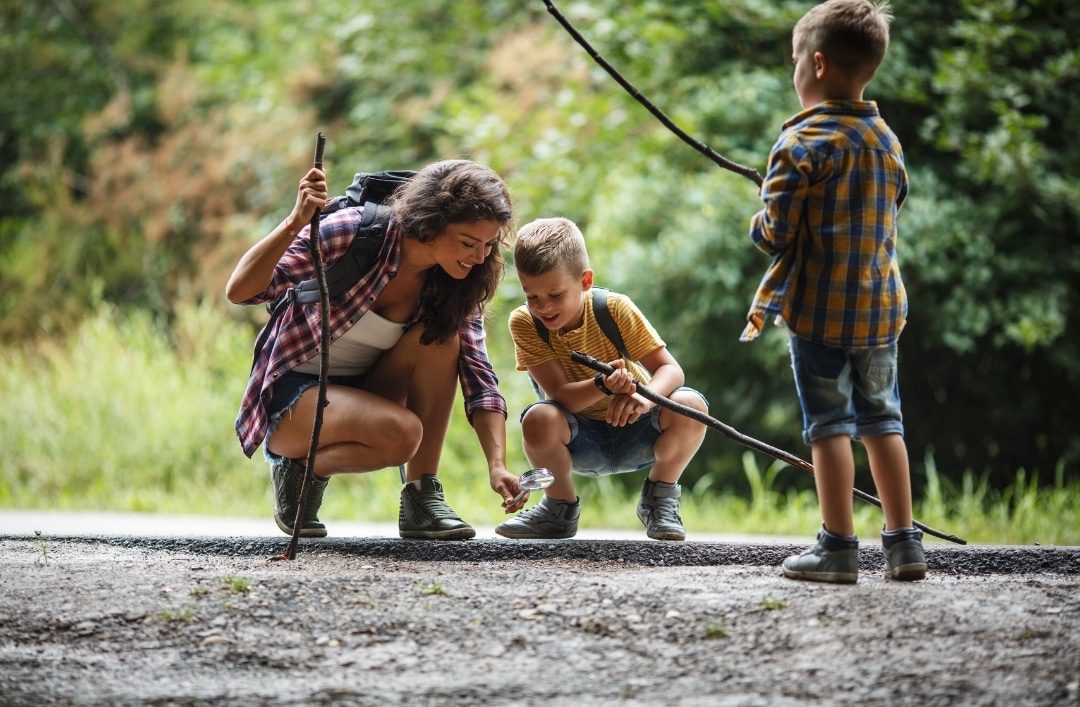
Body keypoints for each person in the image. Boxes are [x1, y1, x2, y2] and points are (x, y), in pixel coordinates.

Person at [226, 159, 528, 540]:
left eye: (488, 244)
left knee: (442, 340)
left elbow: (479, 376)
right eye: (469, 243)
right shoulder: (353, 232)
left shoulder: (457, 280)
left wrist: (497, 465)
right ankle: (298, 470)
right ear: (431, 225)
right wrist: (295, 221)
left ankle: (421, 497)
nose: (480, 257)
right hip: (294, 400)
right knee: (401, 433)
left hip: (367, 392)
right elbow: (241, 291)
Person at [740, 0, 925, 583]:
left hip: (819, 313)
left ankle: (838, 547)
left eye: (796, 58)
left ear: (816, 64)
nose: (794, 68)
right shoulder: (885, 140)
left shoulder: (800, 143)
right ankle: (904, 545)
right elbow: (890, 205)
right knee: (883, 422)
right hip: (878, 311)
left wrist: (759, 216)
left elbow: (776, 233)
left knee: (830, 425)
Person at [497, 217, 708, 541]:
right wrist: (602, 385)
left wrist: (643, 397)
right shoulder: (526, 323)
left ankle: (659, 499)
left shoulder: (614, 309)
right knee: (538, 417)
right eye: (532, 296)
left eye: (555, 294)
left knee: (691, 404)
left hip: (638, 430)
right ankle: (558, 509)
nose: (544, 307)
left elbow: (671, 370)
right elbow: (559, 396)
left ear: (585, 281)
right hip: (580, 439)